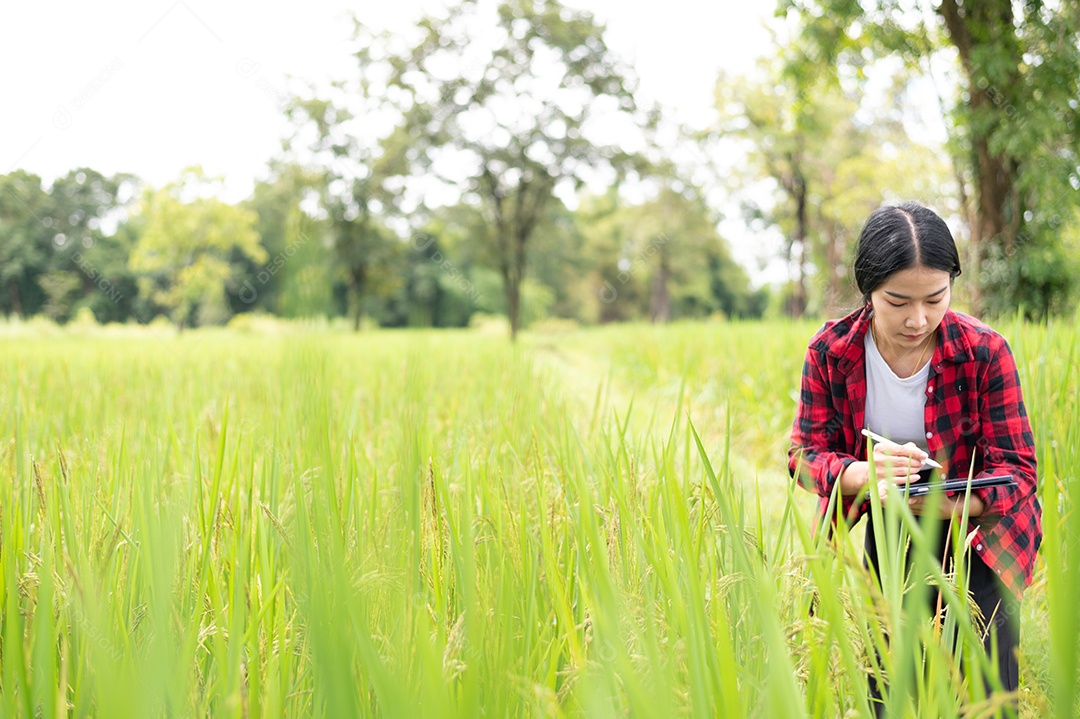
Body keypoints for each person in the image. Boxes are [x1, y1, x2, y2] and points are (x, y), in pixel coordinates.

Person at [787, 202, 1042, 713]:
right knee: (892, 683)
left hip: (980, 530)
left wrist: (949, 505)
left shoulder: (984, 351)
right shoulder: (831, 352)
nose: (918, 319)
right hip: (889, 524)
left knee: (988, 691)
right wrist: (863, 471)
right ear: (868, 291)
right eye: (897, 301)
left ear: (952, 284)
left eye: (935, 298)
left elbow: (1018, 473)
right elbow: (803, 453)